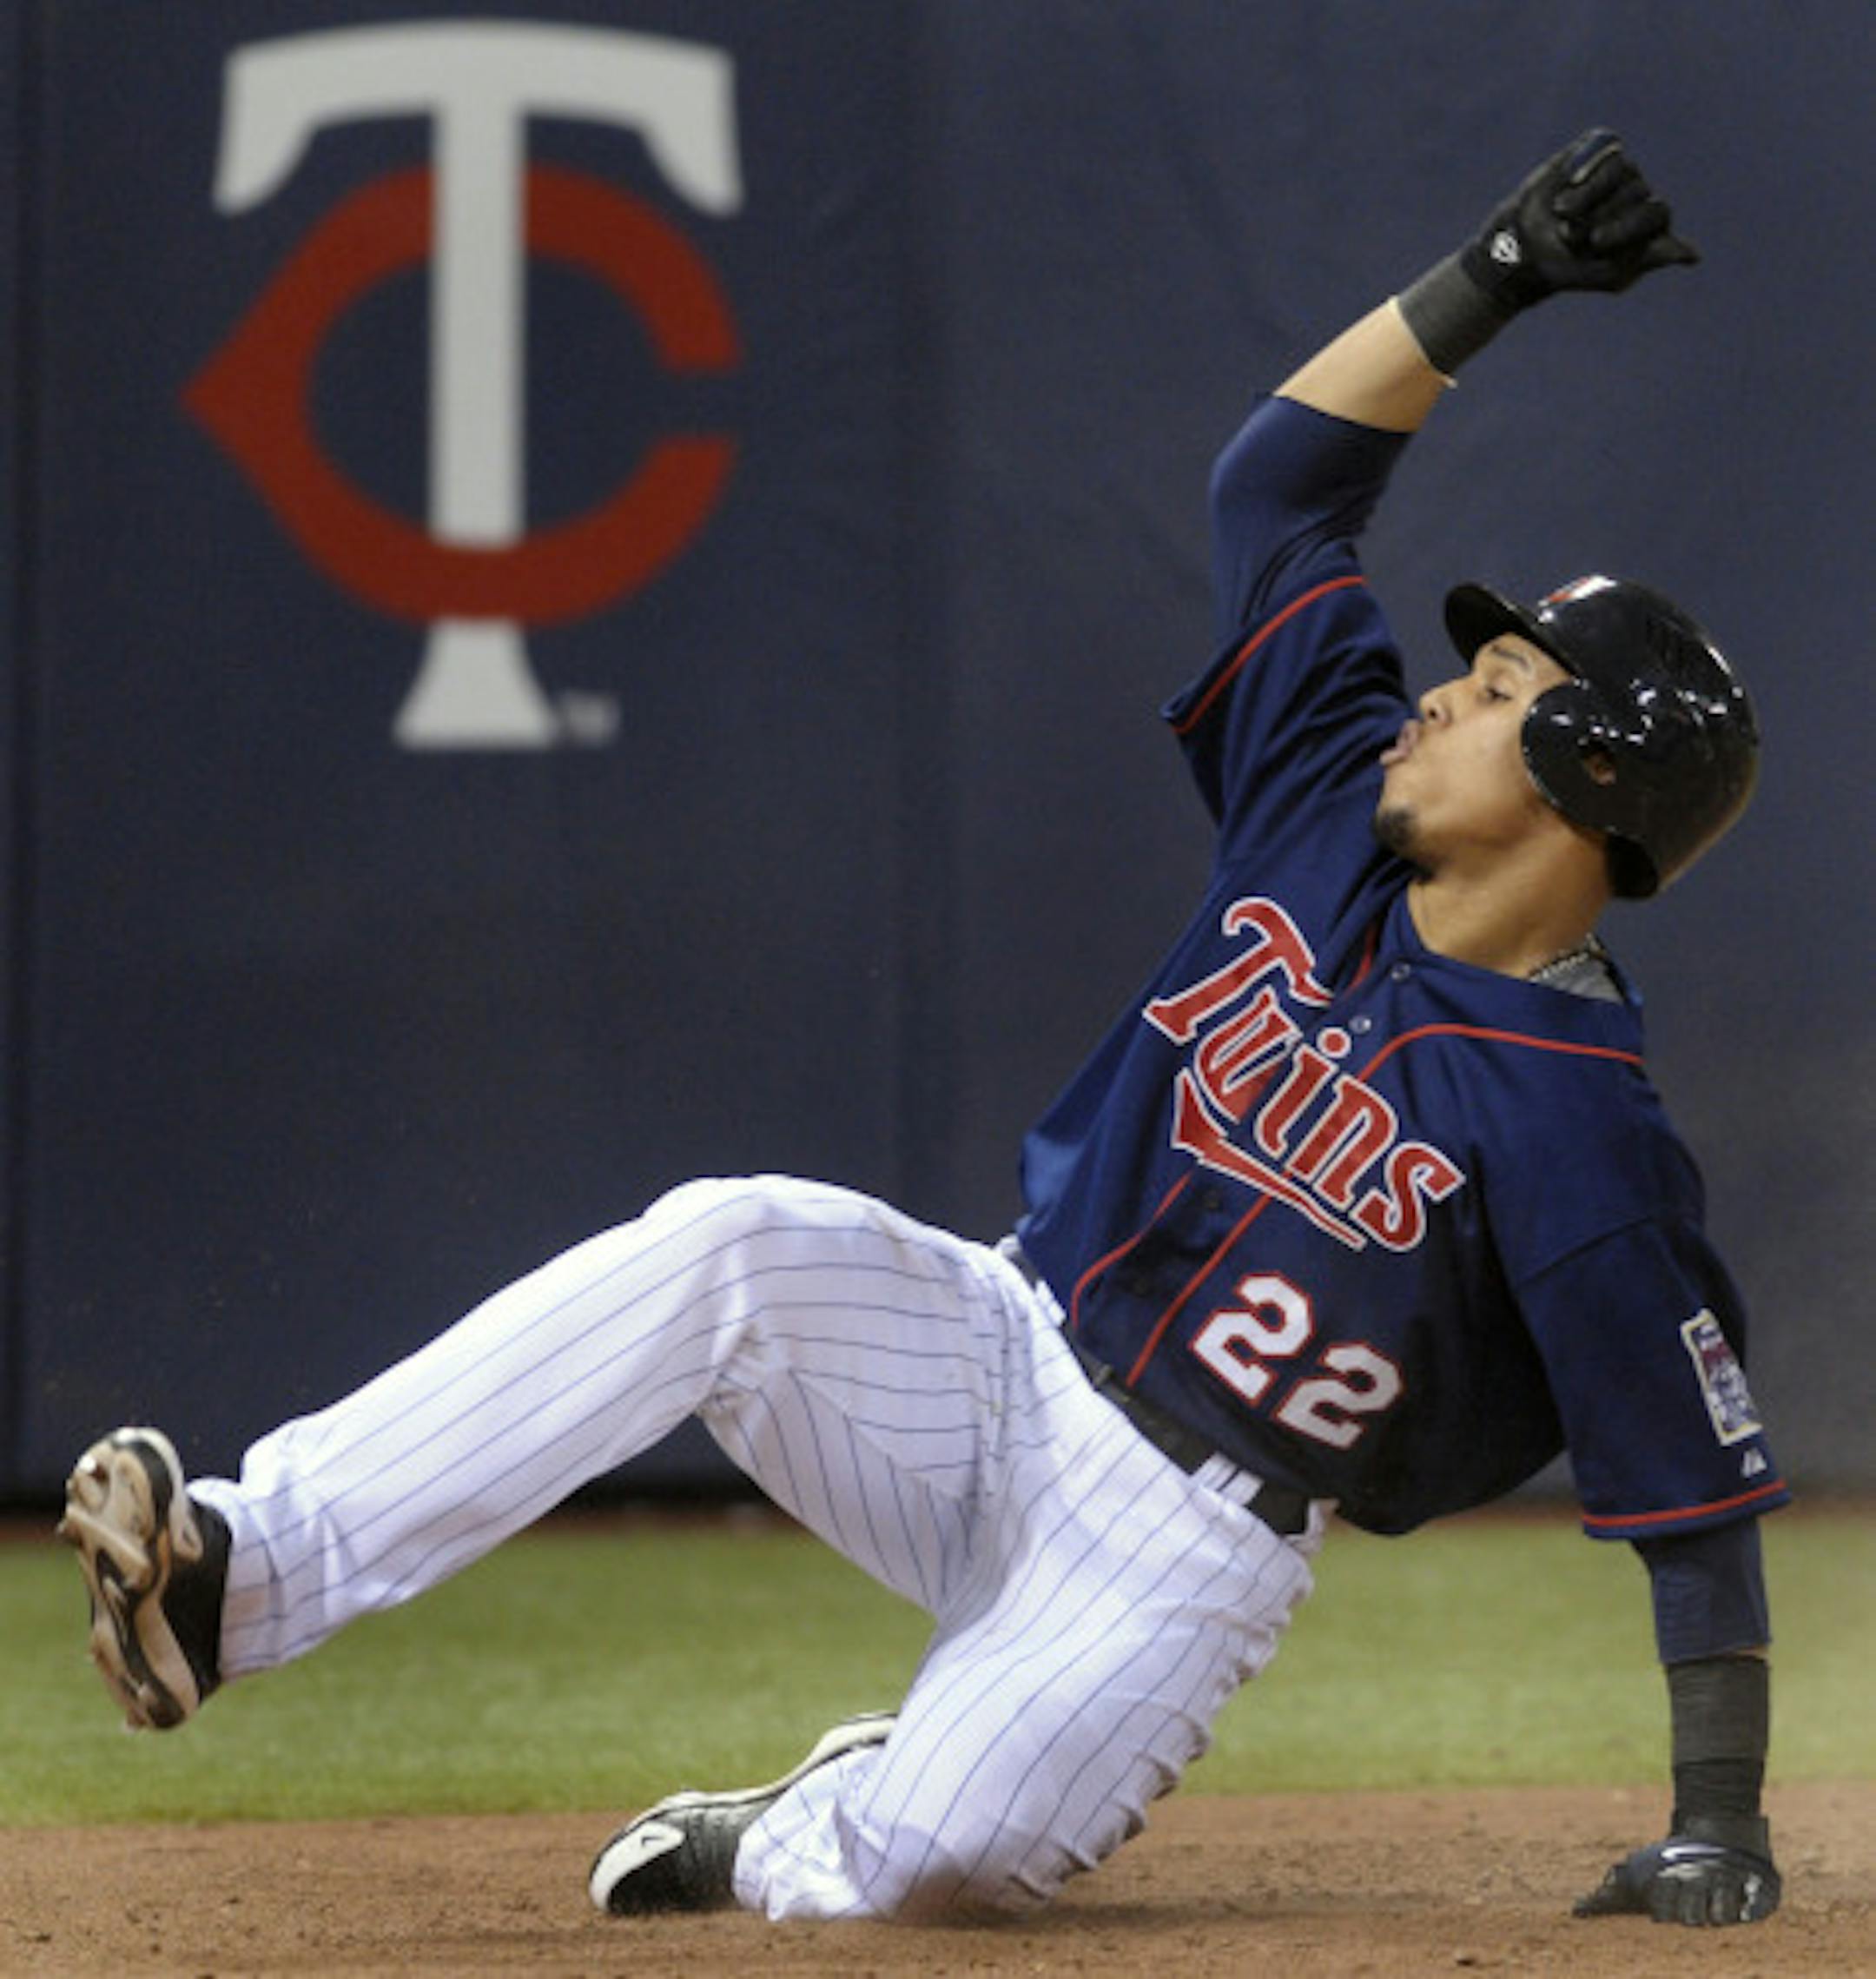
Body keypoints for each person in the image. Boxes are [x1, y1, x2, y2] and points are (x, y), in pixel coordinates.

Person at [60, 128, 1786, 1931]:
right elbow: (1274, 490)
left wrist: (1721, 1816)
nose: (1444, 691)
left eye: (1504, 689)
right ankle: (238, 1575)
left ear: (1592, 772)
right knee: (731, 1243)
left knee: (939, 1860)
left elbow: (1691, 1476)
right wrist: (1492, 273)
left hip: (1192, 1536)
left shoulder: (1583, 1117)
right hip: (991, 1353)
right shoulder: (1319, 797)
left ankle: (803, 1823)